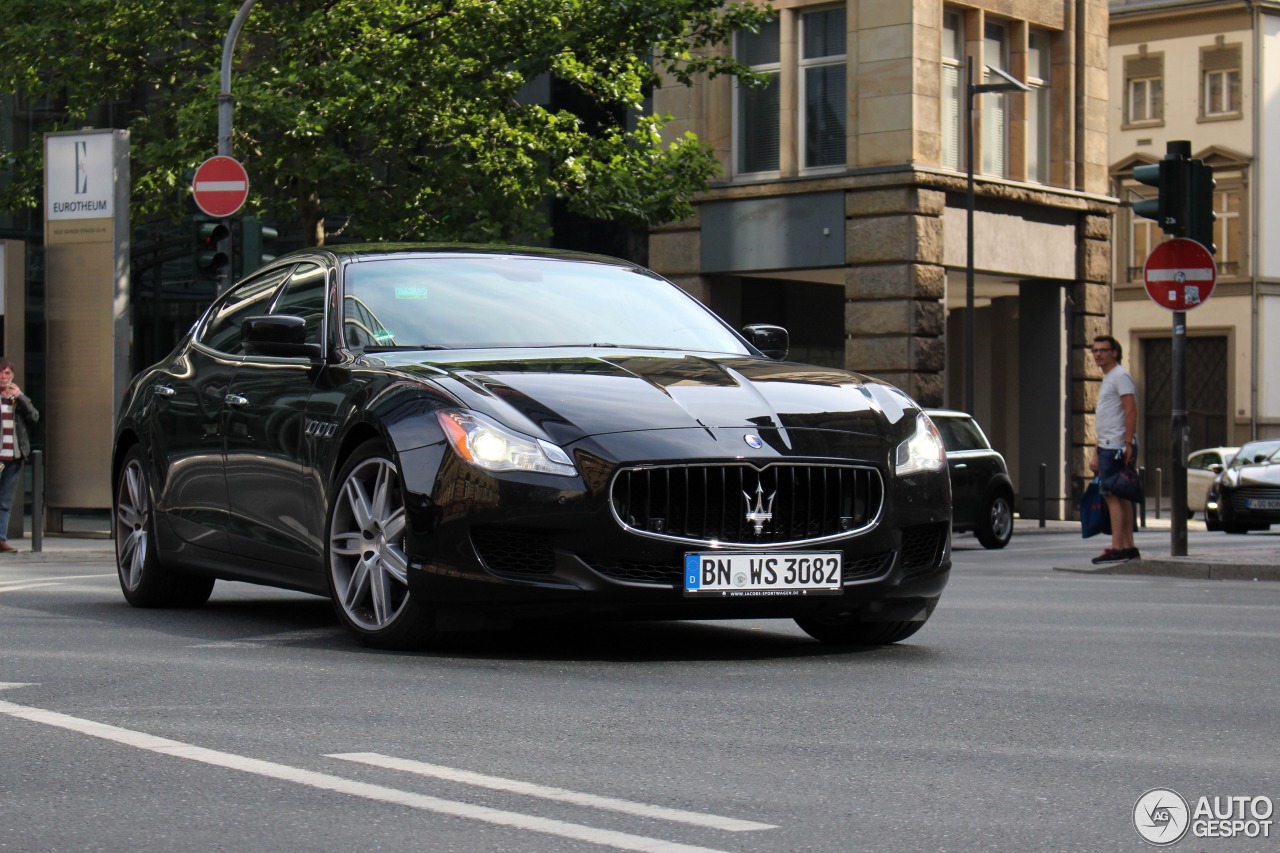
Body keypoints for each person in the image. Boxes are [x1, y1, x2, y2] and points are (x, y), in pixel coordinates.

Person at [1088, 335, 1139, 564]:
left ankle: (1118, 546)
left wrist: (1127, 443)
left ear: (1114, 352)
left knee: (1112, 496)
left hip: (1115, 446)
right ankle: (1128, 546)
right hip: (1108, 445)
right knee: (1122, 496)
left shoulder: (1120, 376)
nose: (1098, 354)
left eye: (1103, 350)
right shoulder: (1110, 377)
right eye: (1095, 350)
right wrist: (1095, 450)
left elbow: (1130, 410)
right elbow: (1107, 418)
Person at [0, 358, 39, 553]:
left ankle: (1, 539)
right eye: (1, 373)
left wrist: (21, 397)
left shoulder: (17, 399)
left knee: (5, 501)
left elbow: (34, 417)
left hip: (13, 457)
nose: (3, 377)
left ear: (12, 376)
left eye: (7, 373)